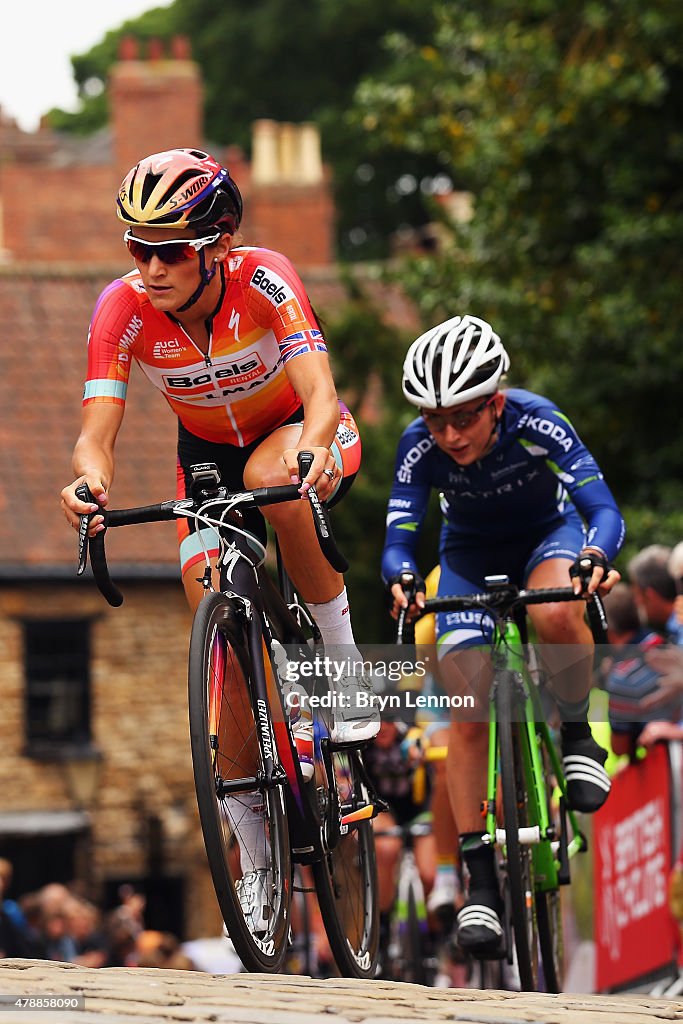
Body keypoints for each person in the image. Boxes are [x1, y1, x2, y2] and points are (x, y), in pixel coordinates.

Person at [60, 148, 379, 928]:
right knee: (218, 650)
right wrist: (88, 484)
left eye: (169, 250)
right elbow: (96, 432)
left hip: (299, 431)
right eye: (138, 247)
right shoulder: (122, 309)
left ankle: (341, 669)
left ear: (219, 245)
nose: (150, 267)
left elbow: (317, 391)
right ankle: (260, 865)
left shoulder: (266, 277)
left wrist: (314, 449)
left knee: (279, 479)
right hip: (202, 459)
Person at [382, 314, 623, 958]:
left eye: (464, 417)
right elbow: (400, 538)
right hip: (467, 552)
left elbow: (602, 510)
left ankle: (575, 737)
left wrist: (595, 556)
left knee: (552, 614)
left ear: (496, 403)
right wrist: (403, 575)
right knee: (467, 708)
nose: (451, 435)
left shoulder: (538, 420)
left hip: (549, 536)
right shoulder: (418, 445)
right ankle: (481, 885)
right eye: (436, 421)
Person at [601, 582, 681, 760]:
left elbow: (620, 747)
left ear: (608, 631)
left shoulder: (622, 678)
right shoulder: (665, 642)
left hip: (665, 763)